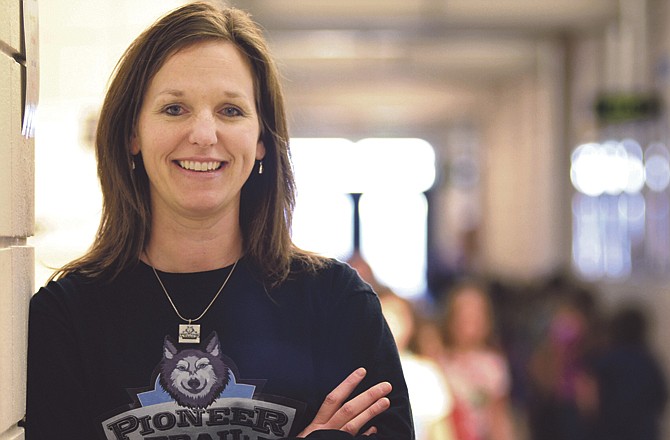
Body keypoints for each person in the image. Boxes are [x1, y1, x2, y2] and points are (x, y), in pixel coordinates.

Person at [25, 3, 414, 439]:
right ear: (132, 134)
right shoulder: (66, 318)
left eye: (230, 110)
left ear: (262, 138)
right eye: (175, 109)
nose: (205, 135)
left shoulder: (337, 305)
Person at [437, 280, 516, 440]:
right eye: (463, 314)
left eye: (475, 315)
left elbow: (499, 418)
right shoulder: (438, 361)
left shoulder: (493, 365)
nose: (469, 322)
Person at [379, 291, 456, 440]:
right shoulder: (360, 369)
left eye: (398, 315)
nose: (391, 321)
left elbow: (439, 428)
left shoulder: (425, 372)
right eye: (384, 313)